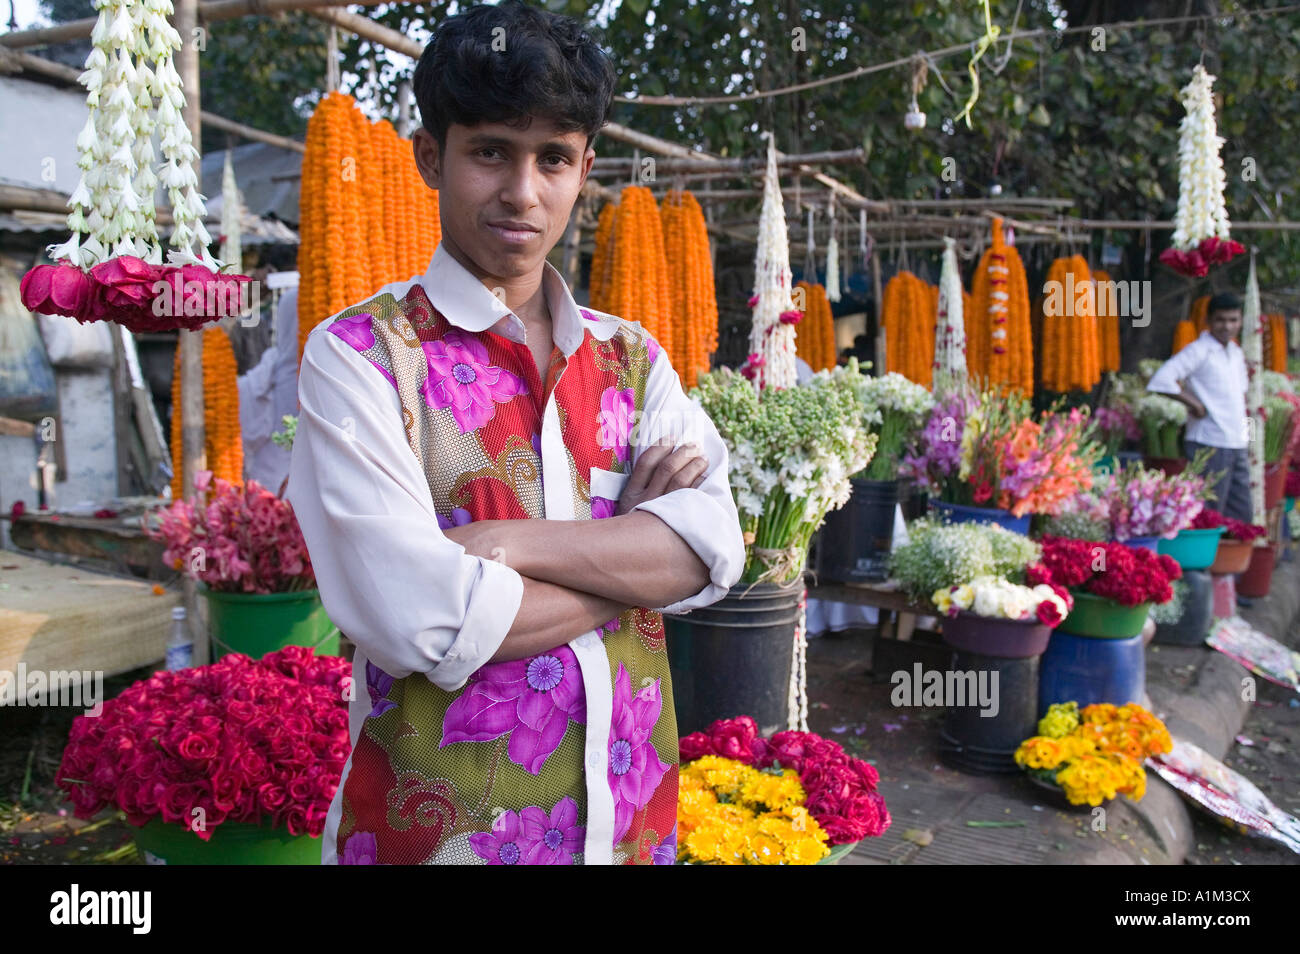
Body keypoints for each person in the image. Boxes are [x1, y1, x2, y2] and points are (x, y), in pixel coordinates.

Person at [285, 0, 745, 866]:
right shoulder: (362, 357)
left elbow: (713, 550)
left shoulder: (635, 359)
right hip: (438, 838)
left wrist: (506, 546)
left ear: (584, 170)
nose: (522, 192)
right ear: (432, 156)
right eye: (490, 150)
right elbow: (421, 621)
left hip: (632, 829)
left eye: (554, 159)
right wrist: (628, 558)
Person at [1146, 291, 1251, 522]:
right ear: (1208, 320)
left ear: (1240, 321)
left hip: (1237, 442)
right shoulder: (1198, 350)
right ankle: (1209, 559)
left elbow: (1242, 400)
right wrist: (1194, 404)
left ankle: (1233, 558)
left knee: (1241, 515)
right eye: (1221, 320)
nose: (1227, 326)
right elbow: (1161, 380)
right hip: (1209, 442)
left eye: (1233, 320)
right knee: (1209, 515)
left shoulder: (1235, 353)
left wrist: (1248, 438)